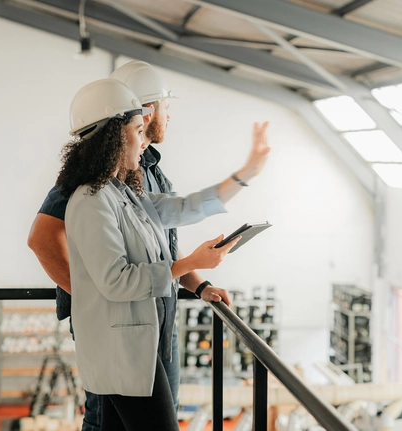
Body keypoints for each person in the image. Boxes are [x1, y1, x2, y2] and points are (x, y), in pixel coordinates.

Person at [28, 62, 269, 429]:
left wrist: (247, 174)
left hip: (139, 333)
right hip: (122, 343)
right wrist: (185, 265)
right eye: (138, 130)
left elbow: (185, 208)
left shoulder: (125, 191)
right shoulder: (91, 199)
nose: (144, 141)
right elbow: (114, 281)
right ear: (115, 137)